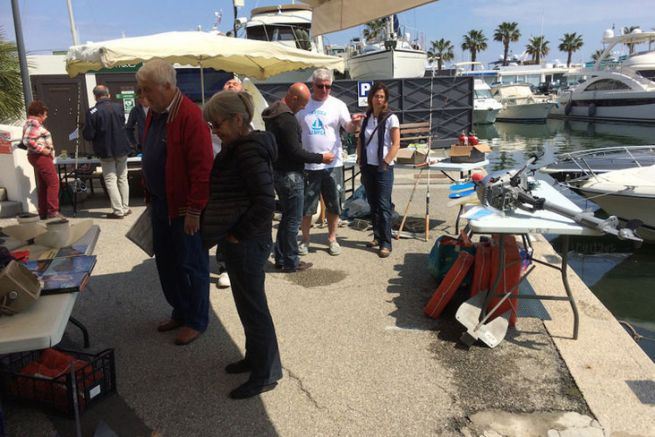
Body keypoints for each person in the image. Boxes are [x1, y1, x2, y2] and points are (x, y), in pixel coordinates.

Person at [201, 90, 282, 399]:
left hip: (248, 242)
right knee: (247, 307)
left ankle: (266, 374)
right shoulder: (237, 148)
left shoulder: (247, 151)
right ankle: (255, 359)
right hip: (242, 241)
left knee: (255, 309)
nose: (213, 130)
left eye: (216, 124)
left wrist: (239, 234)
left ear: (237, 119)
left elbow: (265, 202)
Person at [136, 59, 213, 346]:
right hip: (161, 205)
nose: (143, 95)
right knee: (167, 264)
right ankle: (180, 311)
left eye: (147, 89)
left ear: (167, 86)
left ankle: (196, 320)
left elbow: (202, 169)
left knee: (191, 266)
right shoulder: (154, 113)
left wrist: (195, 210)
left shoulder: (190, 116)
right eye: (141, 89)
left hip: (183, 210)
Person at [263, 82, 334, 272]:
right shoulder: (287, 119)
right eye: (302, 103)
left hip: (279, 172)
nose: (303, 107)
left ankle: (282, 257)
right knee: (293, 220)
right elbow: (295, 152)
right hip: (291, 175)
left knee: (287, 218)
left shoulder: (274, 113)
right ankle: (290, 261)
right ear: (294, 98)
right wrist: (321, 158)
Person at [295, 68, 363, 256]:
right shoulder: (303, 105)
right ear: (313, 85)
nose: (324, 90)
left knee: (334, 203)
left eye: (328, 87)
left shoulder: (338, 105)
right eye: (320, 86)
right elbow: (294, 129)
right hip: (309, 164)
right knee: (307, 205)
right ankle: (305, 240)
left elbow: (348, 128)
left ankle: (332, 238)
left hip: (333, 164)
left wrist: (355, 123)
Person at [356, 82, 400, 258]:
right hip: (368, 166)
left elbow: (396, 144)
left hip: (383, 168)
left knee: (383, 205)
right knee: (373, 204)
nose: (378, 99)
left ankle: (386, 243)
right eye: (376, 96)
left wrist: (386, 161)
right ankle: (377, 236)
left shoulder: (391, 118)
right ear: (370, 98)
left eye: (382, 96)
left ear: (385, 100)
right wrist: (360, 159)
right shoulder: (365, 118)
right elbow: (360, 140)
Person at [211, 75, 245, 289]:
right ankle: (224, 266)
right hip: (218, 169)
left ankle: (241, 263)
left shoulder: (248, 111)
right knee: (223, 221)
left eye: (235, 83)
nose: (231, 84)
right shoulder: (214, 110)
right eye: (227, 83)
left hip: (241, 171)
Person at [82, 85, 132, 219]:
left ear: (95, 97)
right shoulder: (119, 107)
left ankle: (118, 210)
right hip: (122, 148)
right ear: (108, 95)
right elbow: (122, 124)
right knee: (122, 178)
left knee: (111, 180)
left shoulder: (92, 112)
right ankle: (125, 207)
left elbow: (89, 135)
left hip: (105, 150)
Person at [22, 100, 62, 219]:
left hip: (37, 156)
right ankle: (53, 211)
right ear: (39, 114)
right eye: (45, 114)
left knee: (44, 184)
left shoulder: (30, 123)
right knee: (54, 182)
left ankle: (44, 212)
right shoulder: (34, 123)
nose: (46, 117)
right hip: (40, 157)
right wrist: (42, 150)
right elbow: (27, 140)